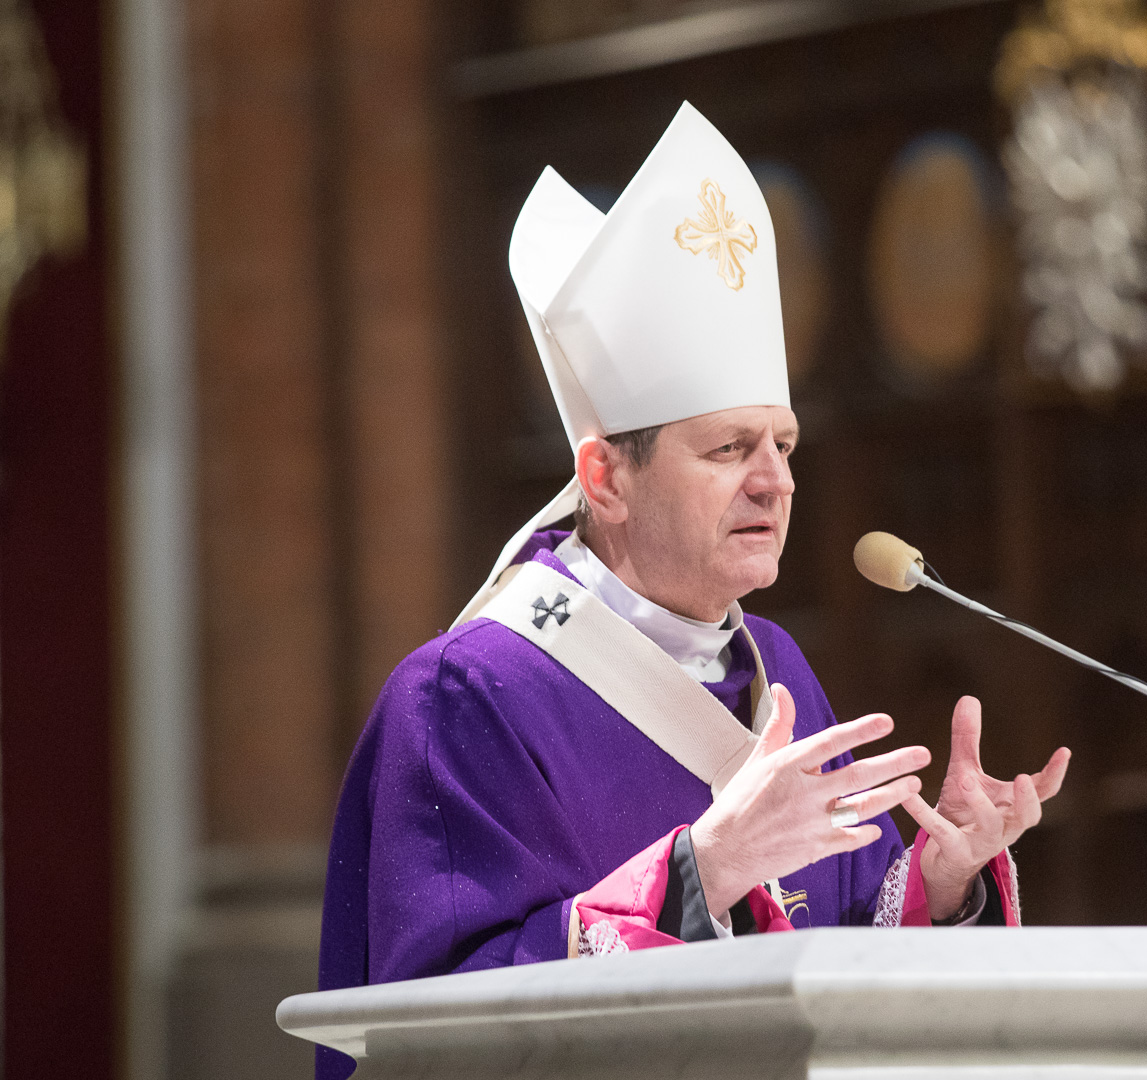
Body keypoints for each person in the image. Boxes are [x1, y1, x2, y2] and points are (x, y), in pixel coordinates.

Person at [315, 102, 1071, 1078]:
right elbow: (437, 1030)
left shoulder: (774, 669)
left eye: (784, 445)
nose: (776, 481)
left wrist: (941, 875)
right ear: (605, 479)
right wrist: (699, 875)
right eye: (728, 449)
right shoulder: (466, 696)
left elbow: (839, 942)